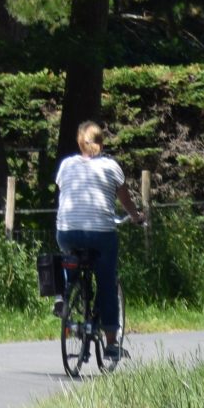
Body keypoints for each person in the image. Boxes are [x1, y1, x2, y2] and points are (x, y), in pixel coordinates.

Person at [55, 120, 130, 355]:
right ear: (102, 142)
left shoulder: (67, 165)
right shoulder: (111, 167)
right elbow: (124, 198)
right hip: (100, 234)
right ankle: (110, 344)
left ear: (79, 142)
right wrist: (135, 215)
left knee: (71, 261)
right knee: (107, 282)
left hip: (67, 231)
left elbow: (64, 190)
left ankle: (65, 297)